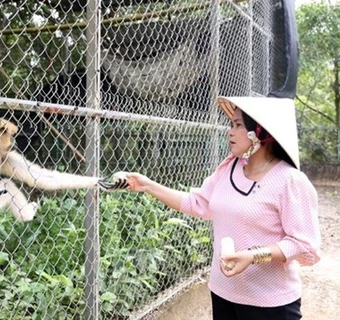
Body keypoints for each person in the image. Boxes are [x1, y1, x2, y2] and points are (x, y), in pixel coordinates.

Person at [112, 96, 321, 320]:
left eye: (238, 125)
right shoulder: (227, 169)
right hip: (223, 293)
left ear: (260, 133)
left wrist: (253, 256)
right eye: (232, 124)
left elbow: (304, 244)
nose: (230, 131)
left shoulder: (290, 181)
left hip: (270, 302)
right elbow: (197, 203)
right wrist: (146, 185)